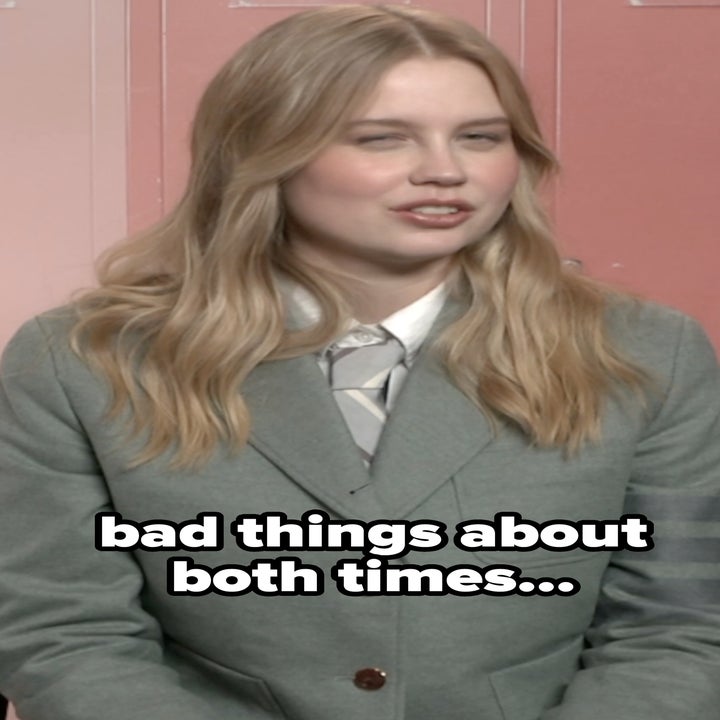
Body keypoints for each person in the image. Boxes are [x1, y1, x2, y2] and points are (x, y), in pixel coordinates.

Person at [1, 5, 718, 720]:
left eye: (479, 137)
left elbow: (675, 631)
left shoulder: (650, 353)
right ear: (265, 152)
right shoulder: (79, 362)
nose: (445, 171)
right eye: (382, 138)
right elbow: (64, 636)